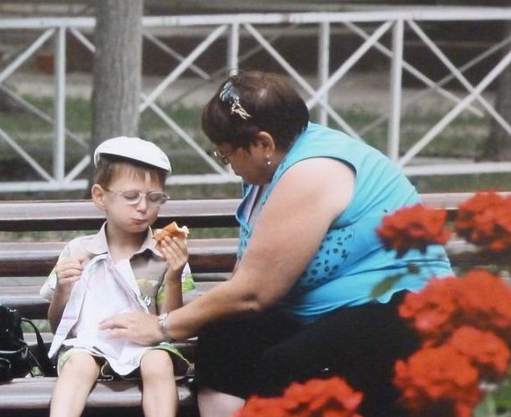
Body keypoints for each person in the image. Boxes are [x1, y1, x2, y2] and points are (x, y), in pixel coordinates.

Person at [98, 71, 454, 417]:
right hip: (326, 314)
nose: (227, 164)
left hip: (400, 312)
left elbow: (254, 293)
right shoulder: (266, 169)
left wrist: (162, 326)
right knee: (226, 341)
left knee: (284, 367)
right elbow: (245, 285)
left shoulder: (311, 172)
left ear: (263, 143)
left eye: (226, 154)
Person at [40, 136, 195, 417]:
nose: (143, 207)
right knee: (79, 366)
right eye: (131, 196)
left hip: (147, 345)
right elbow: (57, 325)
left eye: (154, 198)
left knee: (158, 361)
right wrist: (63, 288)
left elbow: (171, 324)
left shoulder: (165, 253)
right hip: (89, 344)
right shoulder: (78, 250)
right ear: (101, 196)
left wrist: (174, 275)